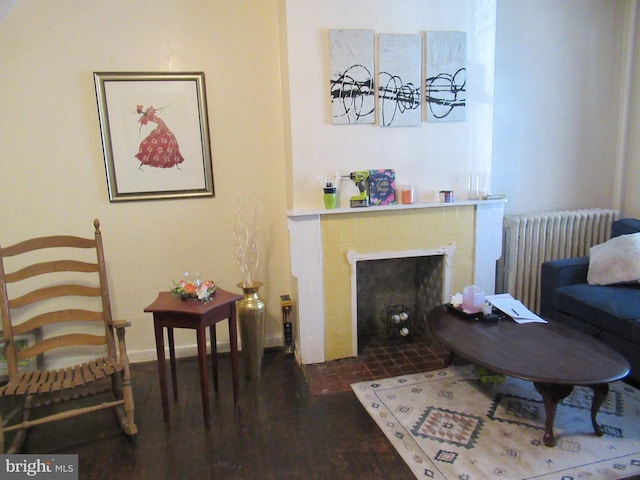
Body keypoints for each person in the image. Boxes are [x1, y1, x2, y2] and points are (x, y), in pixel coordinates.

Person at [135, 105, 185, 169]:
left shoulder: (152, 117)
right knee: (153, 143)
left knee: (161, 143)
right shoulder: (148, 117)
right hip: (161, 130)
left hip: (163, 130)